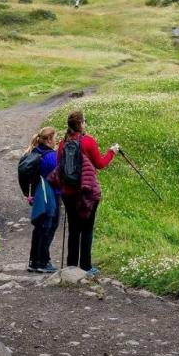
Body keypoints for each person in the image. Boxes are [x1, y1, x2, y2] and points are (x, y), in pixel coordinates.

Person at [57, 110, 119, 275]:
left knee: (74, 229)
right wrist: (112, 152)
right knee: (87, 228)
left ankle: (71, 266)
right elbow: (100, 163)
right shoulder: (88, 141)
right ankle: (85, 266)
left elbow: (60, 167)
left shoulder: (62, 143)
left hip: (68, 193)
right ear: (80, 124)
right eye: (85, 121)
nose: (86, 123)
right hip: (87, 193)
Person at [25, 127, 59, 273]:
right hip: (51, 194)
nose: (56, 140)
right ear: (49, 139)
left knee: (39, 227)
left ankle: (33, 261)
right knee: (49, 226)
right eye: (55, 137)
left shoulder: (35, 152)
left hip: (38, 193)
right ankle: (43, 261)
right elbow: (58, 176)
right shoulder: (51, 156)